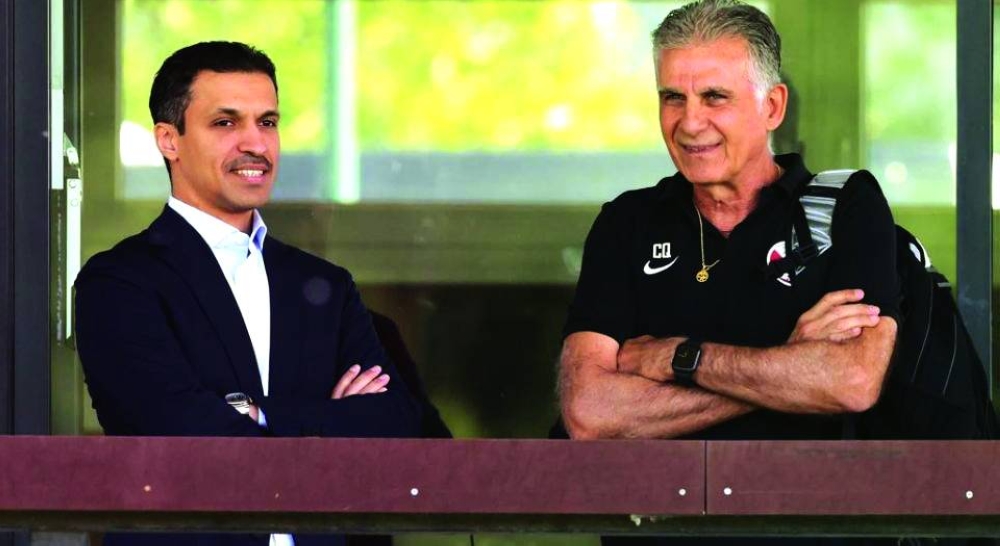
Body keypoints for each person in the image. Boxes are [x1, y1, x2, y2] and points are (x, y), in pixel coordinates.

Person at [558, 1, 899, 543]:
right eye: (673, 97)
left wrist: (675, 358)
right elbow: (590, 413)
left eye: (715, 96)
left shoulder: (845, 205)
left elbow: (851, 381)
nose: (690, 122)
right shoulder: (627, 221)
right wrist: (788, 365)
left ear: (772, 105)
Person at [75, 41, 420, 546]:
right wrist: (327, 423)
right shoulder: (120, 282)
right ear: (169, 140)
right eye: (225, 123)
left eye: (268, 122)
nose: (255, 143)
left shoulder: (322, 283)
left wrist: (257, 414)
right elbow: (178, 429)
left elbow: (393, 425)